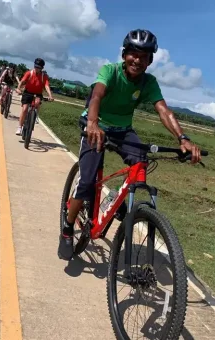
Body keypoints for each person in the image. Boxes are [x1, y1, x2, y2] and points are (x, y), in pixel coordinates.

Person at [58, 29, 202, 260]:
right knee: (86, 181)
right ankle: (67, 228)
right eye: (133, 54)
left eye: (144, 56)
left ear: (150, 61)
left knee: (141, 162)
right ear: (125, 55)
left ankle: (118, 203)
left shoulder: (148, 82)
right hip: (96, 125)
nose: (138, 60)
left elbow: (163, 110)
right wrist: (93, 124)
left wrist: (183, 138)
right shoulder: (110, 71)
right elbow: (96, 96)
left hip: (123, 130)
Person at [15, 58, 54, 135]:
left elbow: (46, 86)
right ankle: (19, 127)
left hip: (38, 94)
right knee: (25, 109)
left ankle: (35, 116)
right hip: (27, 92)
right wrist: (18, 88)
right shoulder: (29, 73)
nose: (36, 68)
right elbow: (22, 81)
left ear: (42, 68)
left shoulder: (44, 76)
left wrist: (50, 95)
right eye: (35, 66)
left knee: (37, 102)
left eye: (39, 67)